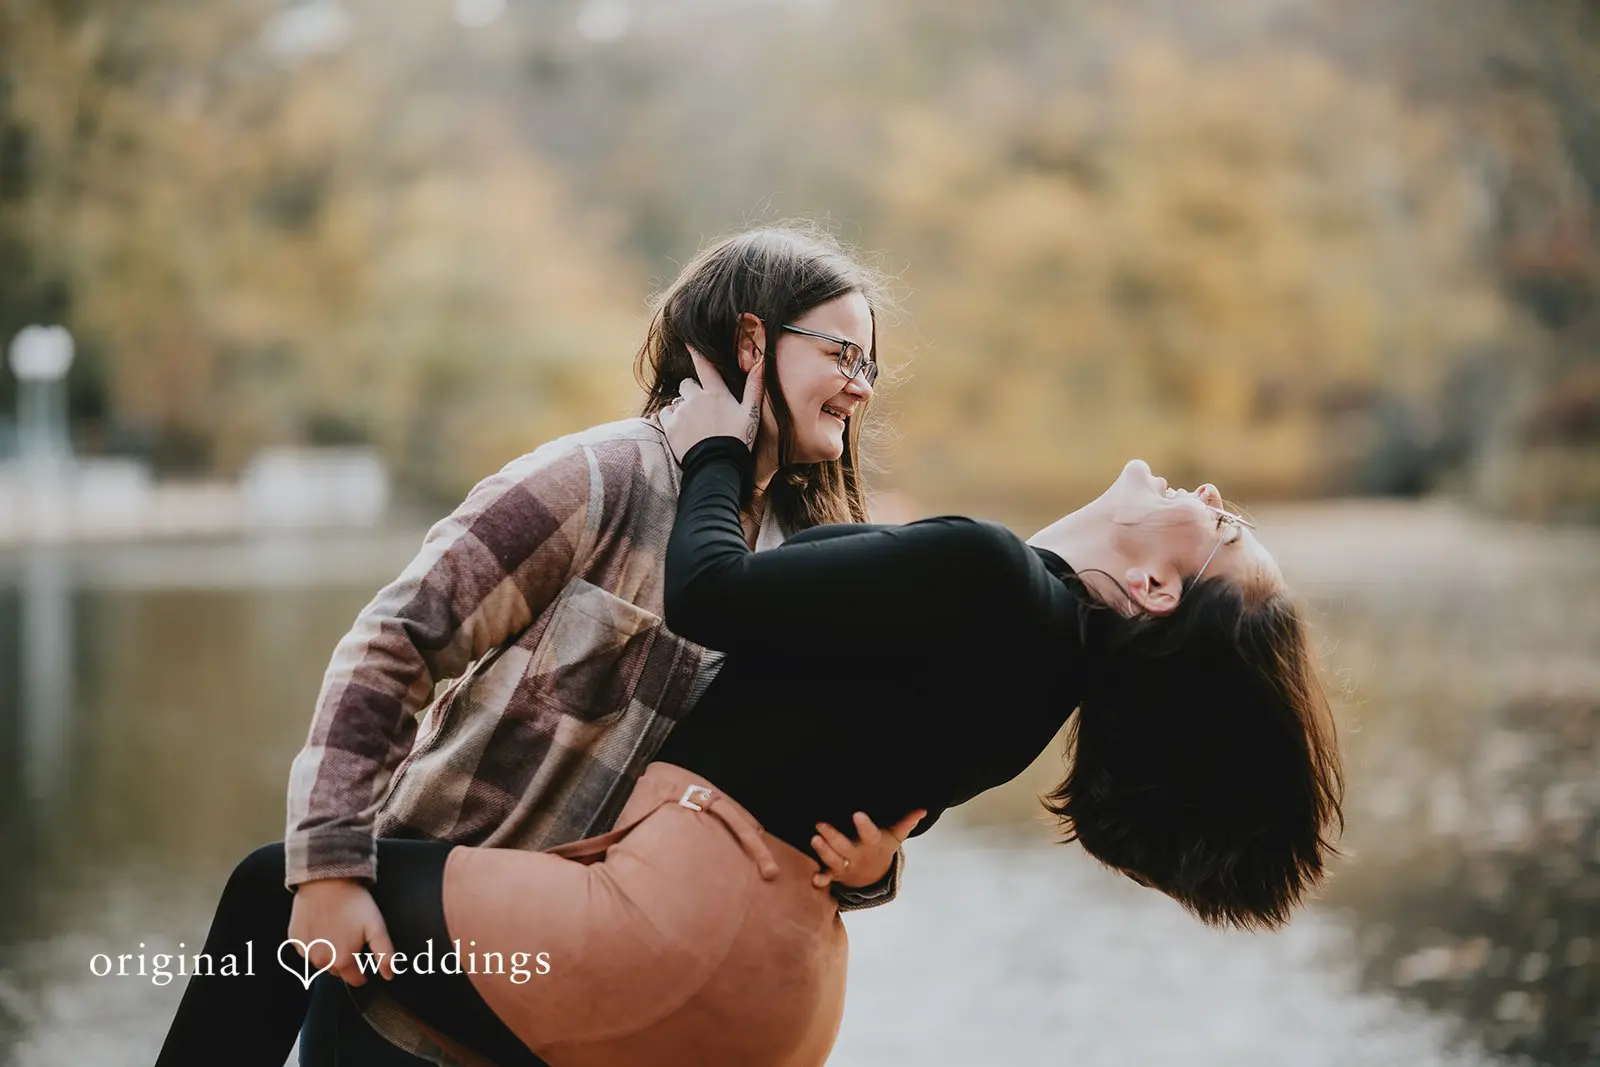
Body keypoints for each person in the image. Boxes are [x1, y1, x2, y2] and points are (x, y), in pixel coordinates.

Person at [158, 337, 1344, 1065]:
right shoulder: (1040, 680)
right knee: (457, 1018)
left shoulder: (988, 576)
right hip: (777, 993)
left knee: (279, 892)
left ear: (1150, 584)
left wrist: (713, 448)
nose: (1210, 487)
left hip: (670, 937)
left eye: (1222, 526)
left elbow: (713, 592)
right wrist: (882, 860)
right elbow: (854, 798)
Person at [154, 224, 916, 1067]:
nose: (861, 388)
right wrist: (329, 864)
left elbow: (803, 781)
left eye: (869, 365)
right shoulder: (595, 482)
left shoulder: (812, 557)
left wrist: (869, 863)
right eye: (843, 355)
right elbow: (393, 647)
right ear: (749, 340)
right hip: (410, 1002)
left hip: (586, 1030)